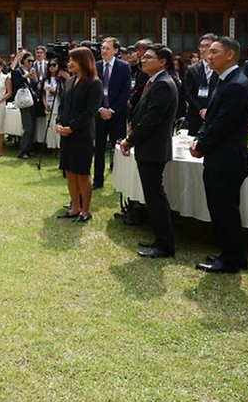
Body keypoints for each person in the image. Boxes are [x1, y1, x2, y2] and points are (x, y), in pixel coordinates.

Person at [190, 36, 248, 274]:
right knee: (223, 209)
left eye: (215, 52)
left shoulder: (237, 84)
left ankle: (230, 259)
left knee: (224, 210)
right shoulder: (224, 80)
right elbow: (212, 119)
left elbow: (222, 124)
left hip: (226, 159)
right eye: (208, 52)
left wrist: (201, 146)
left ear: (230, 55)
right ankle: (234, 253)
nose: (209, 55)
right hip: (221, 158)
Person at [119, 44, 179, 258]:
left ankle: (165, 245)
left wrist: (129, 140)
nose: (143, 60)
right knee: (152, 196)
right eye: (143, 57)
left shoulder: (163, 84)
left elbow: (151, 121)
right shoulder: (153, 82)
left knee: (155, 197)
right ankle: (160, 239)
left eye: (149, 57)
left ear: (163, 62)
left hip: (154, 149)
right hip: (149, 148)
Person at [56, 47, 102, 222]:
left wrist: (72, 127)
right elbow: (63, 105)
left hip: (81, 134)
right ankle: (74, 207)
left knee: (82, 172)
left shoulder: (94, 83)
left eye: (72, 60)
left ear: (83, 61)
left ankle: (85, 210)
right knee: (69, 171)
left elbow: (90, 112)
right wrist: (59, 122)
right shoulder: (70, 81)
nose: (69, 63)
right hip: (66, 133)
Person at [94, 37, 131, 188]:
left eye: (107, 48)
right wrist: (100, 109)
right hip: (99, 114)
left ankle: (119, 181)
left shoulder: (124, 66)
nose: (104, 51)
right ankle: (98, 180)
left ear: (115, 50)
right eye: (102, 48)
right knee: (99, 148)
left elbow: (126, 91)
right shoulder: (95, 66)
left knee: (117, 148)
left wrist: (111, 110)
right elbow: (93, 90)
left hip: (117, 114)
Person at [183, 34, 218, 136]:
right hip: (196, 114)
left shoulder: (220, 69)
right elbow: (188, 93)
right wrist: (201, 109)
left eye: (207, 46)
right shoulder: (192, 69)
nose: (203, 49)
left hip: (215, 113)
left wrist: (210, 110)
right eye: (201, 46)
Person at [11, 52, 39, 159]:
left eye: (32, 61)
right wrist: (24, 77)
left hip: (32, 101)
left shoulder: (30, 71)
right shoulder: (19, 71)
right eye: (29, 61)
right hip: (24, 102)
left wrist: (35, 81)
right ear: (23, 60)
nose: (31, 63)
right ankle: (22, 151)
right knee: (28, 127)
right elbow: (16, 84)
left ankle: (29, 149)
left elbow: (32, 86)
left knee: (33, 127)